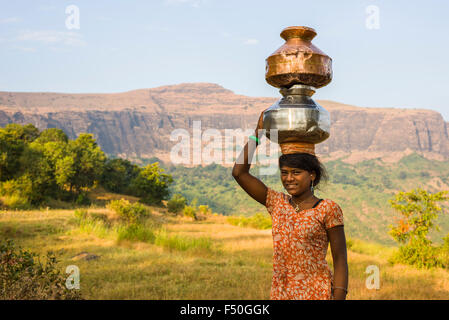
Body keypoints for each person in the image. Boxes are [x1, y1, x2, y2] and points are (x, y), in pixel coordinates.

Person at [231, 111, 348, 300]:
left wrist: (339, 297)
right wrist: (258, 133)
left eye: (296, 172)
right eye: (284, 173)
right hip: (281, 294)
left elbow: (340, 259)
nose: (289, 179)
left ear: (312, 175)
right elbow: (239, 173)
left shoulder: (328, 209)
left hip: (317, 294)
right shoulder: (277, 203)